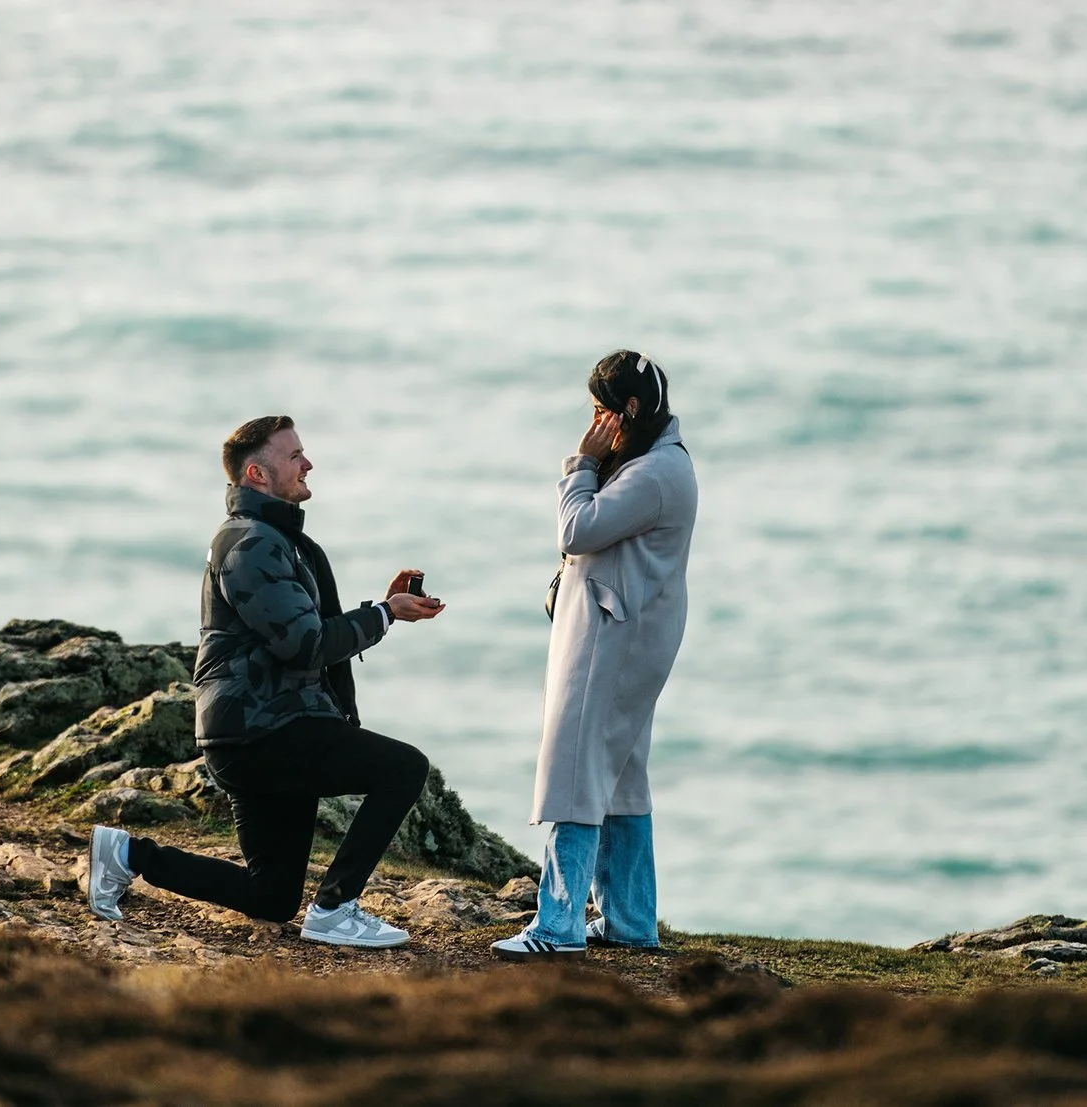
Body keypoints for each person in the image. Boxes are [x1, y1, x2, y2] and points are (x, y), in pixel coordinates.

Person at [83, 414, 445, 948]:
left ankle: (125, 854)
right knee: (403, 768)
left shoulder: (270, 539)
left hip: (261, 727)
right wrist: (385, 615)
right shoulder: (251, 543)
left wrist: (381, 609)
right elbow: (306, 644)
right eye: (294, 455)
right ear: (256, 473)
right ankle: (337, 907)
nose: (308, 463)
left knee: (270, 897)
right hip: (265, 730)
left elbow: (305, 628)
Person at [493, 350, 697, 958]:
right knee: (623, 779)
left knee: (577, 772)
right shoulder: (655, 461)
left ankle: (556, 928)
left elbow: (575, 530)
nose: (593, 420)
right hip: (629, 636)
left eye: (601, 409)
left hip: (612, 643)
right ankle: (632, 921)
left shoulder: (655, 475)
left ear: (629, 409)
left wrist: (581, 462)